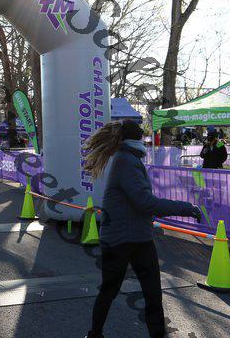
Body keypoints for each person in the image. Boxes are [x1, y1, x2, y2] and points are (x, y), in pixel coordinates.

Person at [83, 120, 201, 338]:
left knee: (152, 293)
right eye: (142, 134)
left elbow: (141, 202)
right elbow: (146, 202)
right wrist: (186, 208)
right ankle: (94, 334)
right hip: (120, 240)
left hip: (138, 238)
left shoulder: (129, 158)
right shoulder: (126, 161)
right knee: (112, 291)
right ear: (136, 138)